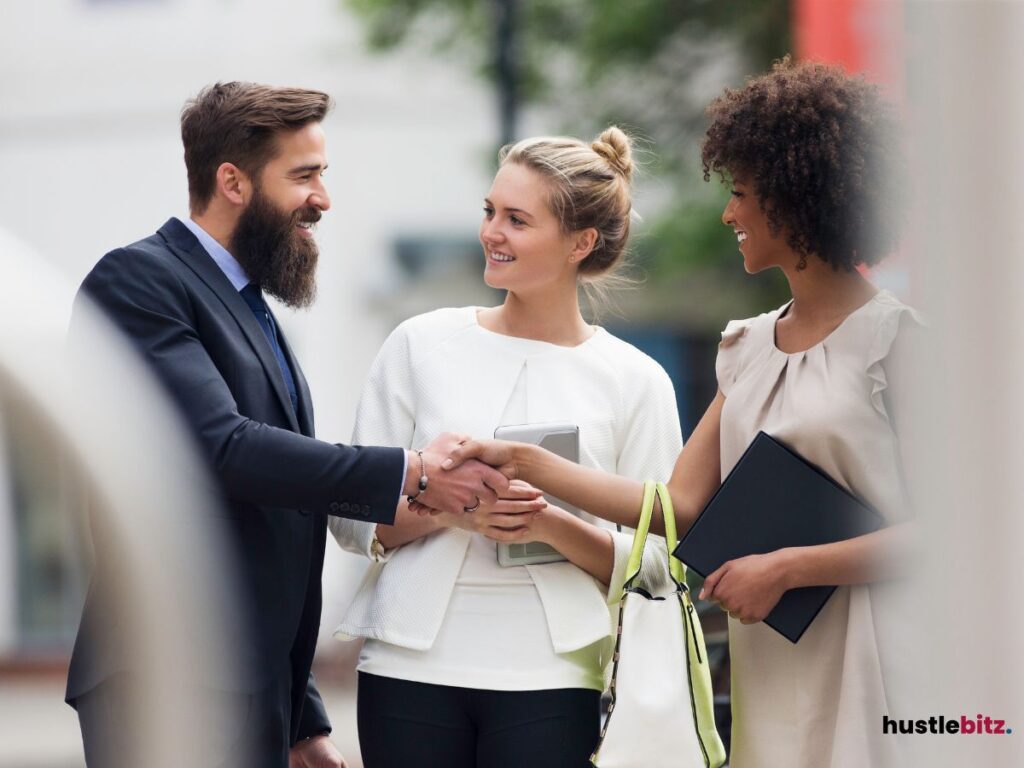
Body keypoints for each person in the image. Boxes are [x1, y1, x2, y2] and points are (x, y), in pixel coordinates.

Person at [442, 58, 920, 768]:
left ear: (797, 198)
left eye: (742, 193)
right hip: (775, 662)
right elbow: (676, 509)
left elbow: (963, 538)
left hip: (888, 659)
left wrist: (788, 569)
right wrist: (530, 465)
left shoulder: (898, 342)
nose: (729, 211)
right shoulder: (747, 347)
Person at [66, 81, 508, 768]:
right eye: (304, 176)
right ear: (233, 182)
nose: (323, 200)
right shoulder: (137, 282)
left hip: (248, 693)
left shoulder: (249, 306)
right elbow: (223, 451)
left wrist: (300, 720)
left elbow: (273, 528)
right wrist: (412, 469)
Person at [330, 128, 683, 767]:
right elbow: (350, 515)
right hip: (408, 669)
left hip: (555, 678)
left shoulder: (636, 380)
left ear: (581, 243)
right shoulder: (419, 343)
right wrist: (452, 508)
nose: (492, 231)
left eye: (517, 219)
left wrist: (546, 523)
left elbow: (662, 561)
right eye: (489, 211)